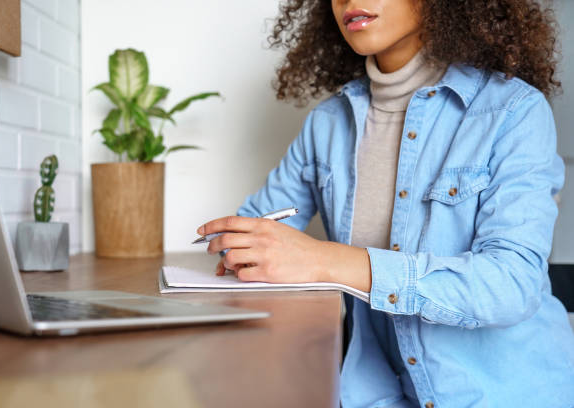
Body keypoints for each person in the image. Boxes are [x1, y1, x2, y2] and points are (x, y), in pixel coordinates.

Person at [197, 0, 574, 406]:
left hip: (507, 395)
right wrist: (244, 249)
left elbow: (510, 284)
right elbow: (257, 228)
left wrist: (326, 259)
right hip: (378, 396)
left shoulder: (513, 111)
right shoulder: (328, 123)